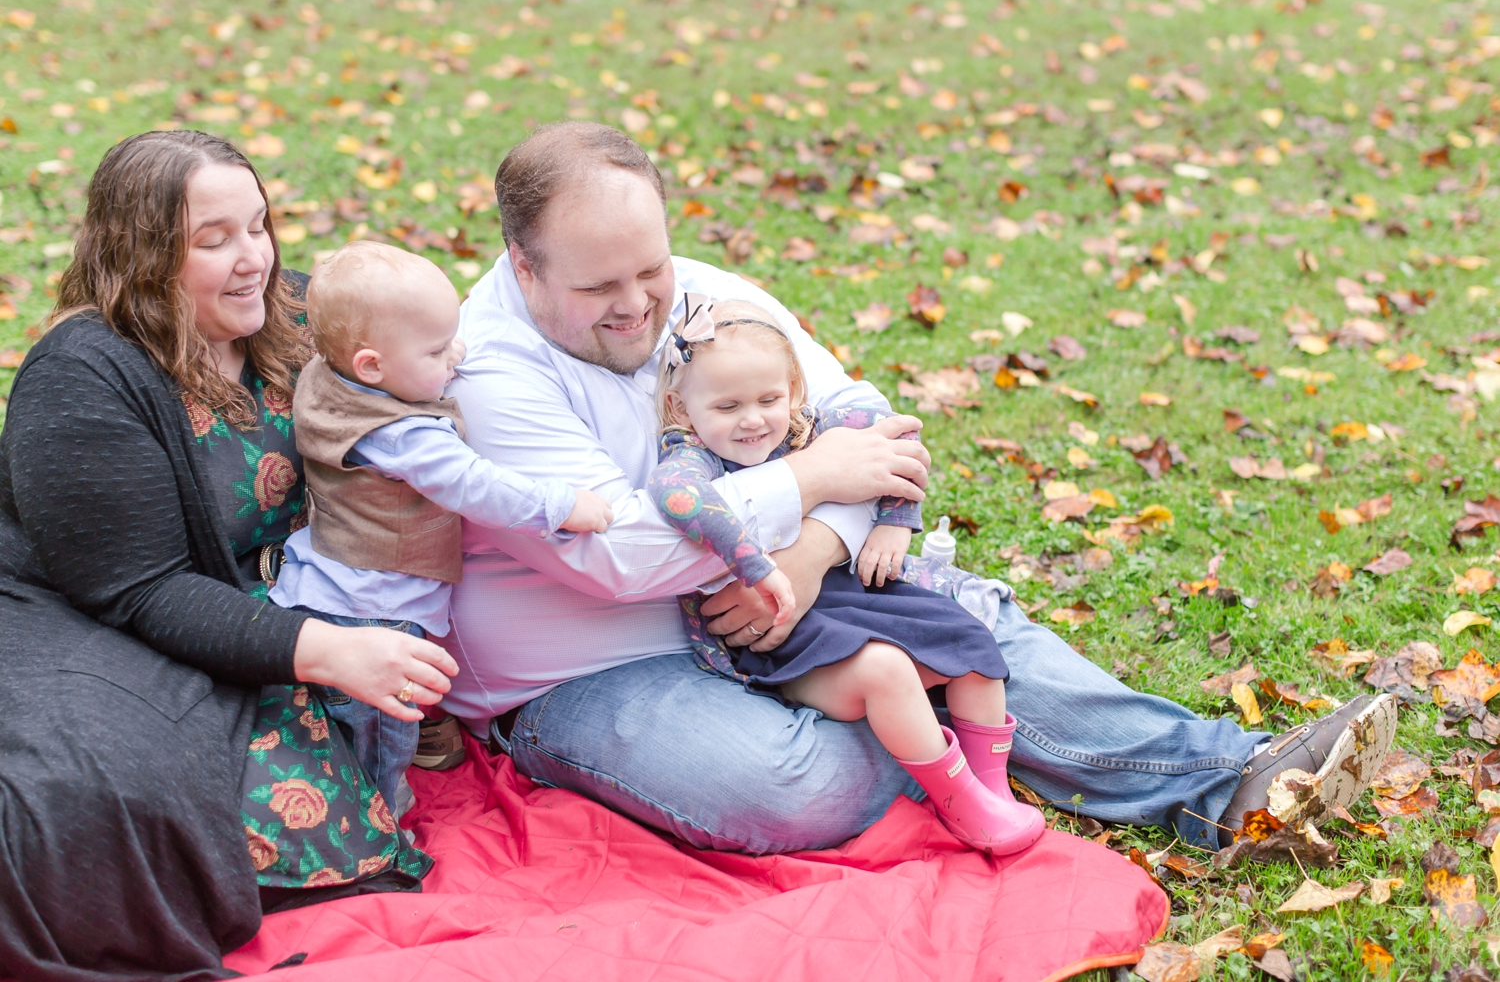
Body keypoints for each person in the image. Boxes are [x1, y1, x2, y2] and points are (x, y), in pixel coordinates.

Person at [438, 120, 1398, 855]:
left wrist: (819, 550)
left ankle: (1228, 780)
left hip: (792, 593)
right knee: (797, 787)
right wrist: (810, 480)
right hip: (594, 667)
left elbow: (867, 420)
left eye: (651, 266)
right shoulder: (485, 369)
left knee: (952, 633)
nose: (641, 302)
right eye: (602, 286)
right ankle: (933, 731)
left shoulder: (694, 291)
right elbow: (618, 558)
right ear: (523, 264)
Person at [0, 131, 460, 981]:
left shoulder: (300, 311)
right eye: (213, 241)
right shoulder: (79, 381)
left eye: (259, 226)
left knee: (347, 809)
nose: (253, 259)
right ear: (141, 258)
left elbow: (440, 343)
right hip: (97, 614)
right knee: (103, 810)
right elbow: (141, 590)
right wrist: (328, 651)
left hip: (268, 605)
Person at [647, 297, 1043, 855]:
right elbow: (676, 497)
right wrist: (751, 560)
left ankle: (989, 789)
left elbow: (898, 436)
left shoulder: (804, 430)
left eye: (769, 398)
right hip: (773, 631)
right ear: (681, 408)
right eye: (728, 405)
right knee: (888, 670)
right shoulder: (696, 459)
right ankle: (958, 802)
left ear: (794, 391)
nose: (753, 419)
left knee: (970, 644)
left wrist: (894, 523)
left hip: (843, 592)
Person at [269, 240, 612, 806]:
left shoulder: (328, 379)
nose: (456, 355)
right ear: (372, 365)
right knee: (383, 724)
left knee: (339, 718)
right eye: (435, 352)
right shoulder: (403, 436)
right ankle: (378, 817)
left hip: (327, 578)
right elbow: (475, 485)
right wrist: (560, 504)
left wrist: (432, 358)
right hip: (377, 613)